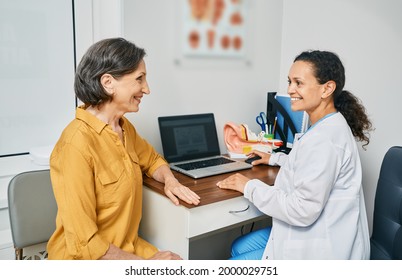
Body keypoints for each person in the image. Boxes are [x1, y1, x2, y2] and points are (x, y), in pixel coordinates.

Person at [47, 37, 200, 260]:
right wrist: (146, 265)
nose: (146, 89)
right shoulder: (75, 145)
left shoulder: (124, 128)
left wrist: (170, 180)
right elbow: (85, 244)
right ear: (108, 82)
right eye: (140, 79)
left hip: (125, 246)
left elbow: (153, 160)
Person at [217, 50, 373, 260]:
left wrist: (248, 186)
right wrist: (274, 158)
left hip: (323, 249)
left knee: (236, 261)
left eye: (298, 83)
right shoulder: (328, 124)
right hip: (316, 231)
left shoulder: (325, 140)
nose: (290, 89)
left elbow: (301, 210)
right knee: (239, 246)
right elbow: (310, 165)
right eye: (289, 81)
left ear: (327, 88)